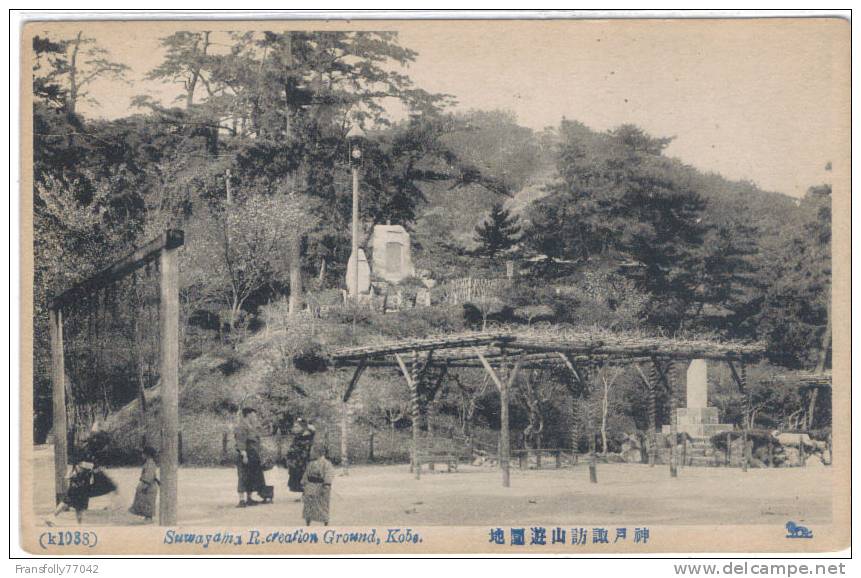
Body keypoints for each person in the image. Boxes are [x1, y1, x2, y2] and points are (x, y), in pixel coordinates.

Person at [235, 407, 267, 507]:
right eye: (254, 415)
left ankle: (249, 498)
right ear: (248, 415)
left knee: (251, 476)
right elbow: (241, 441)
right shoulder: (242, 426)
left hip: (253, 455)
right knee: (243, 476)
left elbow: (257, 441)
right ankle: (241, 500)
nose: (255, 417)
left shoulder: (252, 426)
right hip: (246, 454)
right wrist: (243, 454)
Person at [301, 445, 334, 526]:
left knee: (322, 505)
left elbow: (328, 475)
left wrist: (326, 485)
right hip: (310, 486)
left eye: (313, 451)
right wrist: (304, 484)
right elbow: (306, 474)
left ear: (319, 453)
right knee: (309, 505)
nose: (312, 453)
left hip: (321, 486)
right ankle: (308, 522)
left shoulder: (327, 463)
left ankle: (325, 522)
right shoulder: (311, 463)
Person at [129, 446, 159, 521]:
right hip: (148, 484)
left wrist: (145, 485)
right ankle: (146, 516)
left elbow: (149, 475)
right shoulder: (148, 462)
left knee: (148, 501)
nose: (142, 455)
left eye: (143, 453)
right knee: (144, 500)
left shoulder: (150, 463)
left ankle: (148, 517)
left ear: (147, 454)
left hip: (149, 485)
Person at [286, 417, 316, 494]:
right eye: (294, 426)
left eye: (297, 426)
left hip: (302, 460)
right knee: (298, 475)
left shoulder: (306, 435)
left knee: (303, 475)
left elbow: (303, 447)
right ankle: (304, 492)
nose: (294, 428)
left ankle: (306, 493)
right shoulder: (299, 435)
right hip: (297, 460)